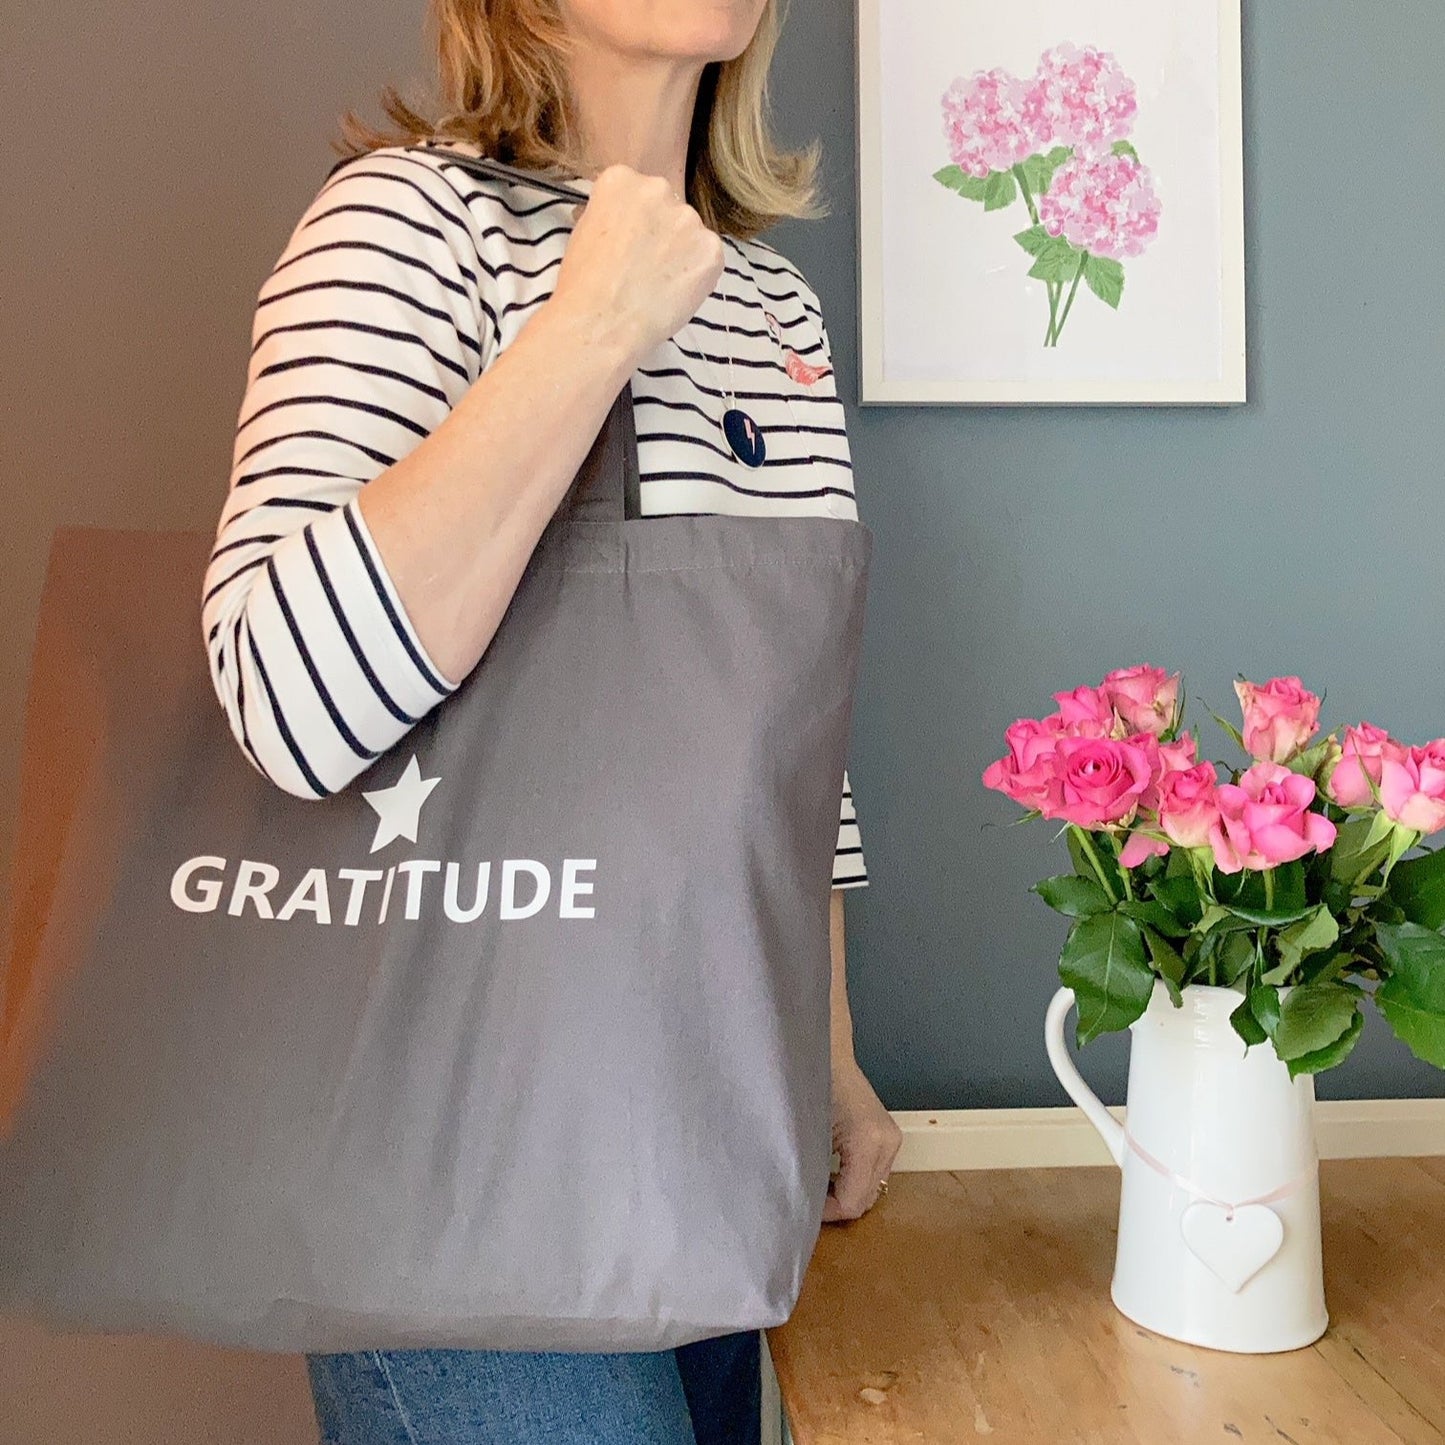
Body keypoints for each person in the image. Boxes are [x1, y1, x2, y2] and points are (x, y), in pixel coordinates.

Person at [200, 0, 902, 1439]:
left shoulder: (770, 307)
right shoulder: (404, 226)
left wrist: (821, 1052)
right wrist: (590, 322)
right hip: (462, 1183)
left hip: (709, 1134)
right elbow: (286, 698)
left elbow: (784, 740)